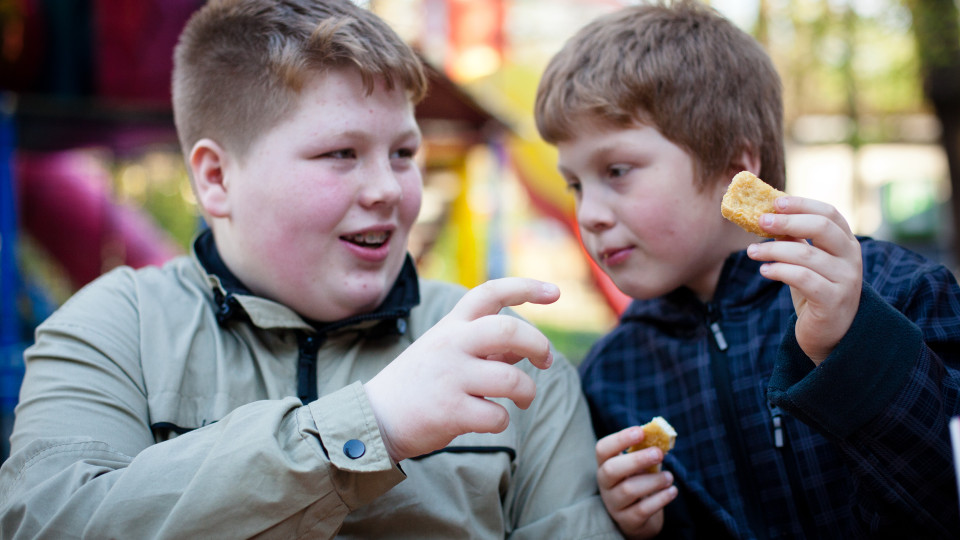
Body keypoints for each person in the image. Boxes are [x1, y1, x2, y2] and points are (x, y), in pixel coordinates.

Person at [0, 1, 621, 538]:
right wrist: (371, 426)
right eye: (340, 153)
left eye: (404, 152)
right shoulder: (114, 328)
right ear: (216, 177)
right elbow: (49, 523)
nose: (388, 188)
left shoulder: (505, 353)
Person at [534, 1, 960, 538]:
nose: (589, 213)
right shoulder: (612, 375)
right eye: (575, 184)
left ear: (738, 168)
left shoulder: (899, 292)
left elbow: (944, 496)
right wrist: (628, 523)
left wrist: (854, 347)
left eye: (616, 171)